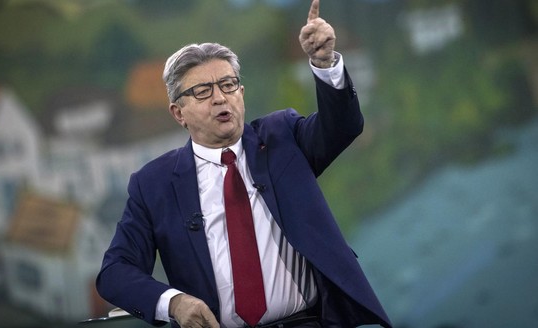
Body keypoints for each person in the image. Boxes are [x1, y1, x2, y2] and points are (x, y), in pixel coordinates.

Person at [96, 0, 391, 327]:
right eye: (202, 91)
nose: (220, 97)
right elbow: (115, 272)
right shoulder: (154, 184)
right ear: (178, 113)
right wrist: (174, 302)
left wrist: (324, 63)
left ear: (241, 93)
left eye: (228, 85)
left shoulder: (283, 138)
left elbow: (342, 126)